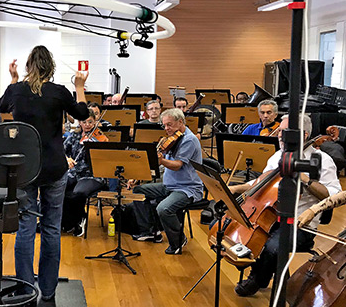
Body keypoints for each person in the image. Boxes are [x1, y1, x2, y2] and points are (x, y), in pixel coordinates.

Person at [0, 46, 89, 301]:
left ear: (28, 66)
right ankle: (47, 292)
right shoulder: (58, 92)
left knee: (25, 228)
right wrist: (80, 86)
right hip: (54, 168)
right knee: (51, 228)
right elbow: (82, 113)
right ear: (51, 67)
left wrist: (14, 79)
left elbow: (1, 106)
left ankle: (26, 291)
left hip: (24, 169)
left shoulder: (17, 90)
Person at [230, 114, 341, 297]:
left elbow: (333, 195)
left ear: (304, 135)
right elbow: (260, 183)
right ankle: (263, 275)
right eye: (280, 131)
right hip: (271, 217)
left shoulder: (321, 160)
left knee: (273, 247)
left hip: (301, 223)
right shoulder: (277, 156)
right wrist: (235, 188)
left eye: (285, 131)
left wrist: (303, 178)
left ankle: (257, 279)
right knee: (242, 233)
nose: (280, 135)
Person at [131, 108, 203, 255]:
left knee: (163, 209)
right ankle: (150, 231)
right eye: (164, 125)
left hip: (187, 188)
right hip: (169, 185)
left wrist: (162, 160)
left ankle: (178, 240)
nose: (166, 129)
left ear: (181, 122)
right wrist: (137, 176)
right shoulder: (172, 139)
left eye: (169, 125)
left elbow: (177, 166)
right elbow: (154, 164)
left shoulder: (189, 140)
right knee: (138, 191)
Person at [61, 112, 107, 237]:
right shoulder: (74, 136)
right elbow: (61, 151)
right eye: (84, 122)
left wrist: (94, 145)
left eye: (90, 122)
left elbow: (105, 158)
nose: (87, 125)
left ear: (95, 122)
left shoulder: (99, 138)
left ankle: (80, 218)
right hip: (74, 173)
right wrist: (67, 159)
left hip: (92, 175)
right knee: (60, 188)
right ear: (80, 122)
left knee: (79, 192)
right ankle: (66, 222)